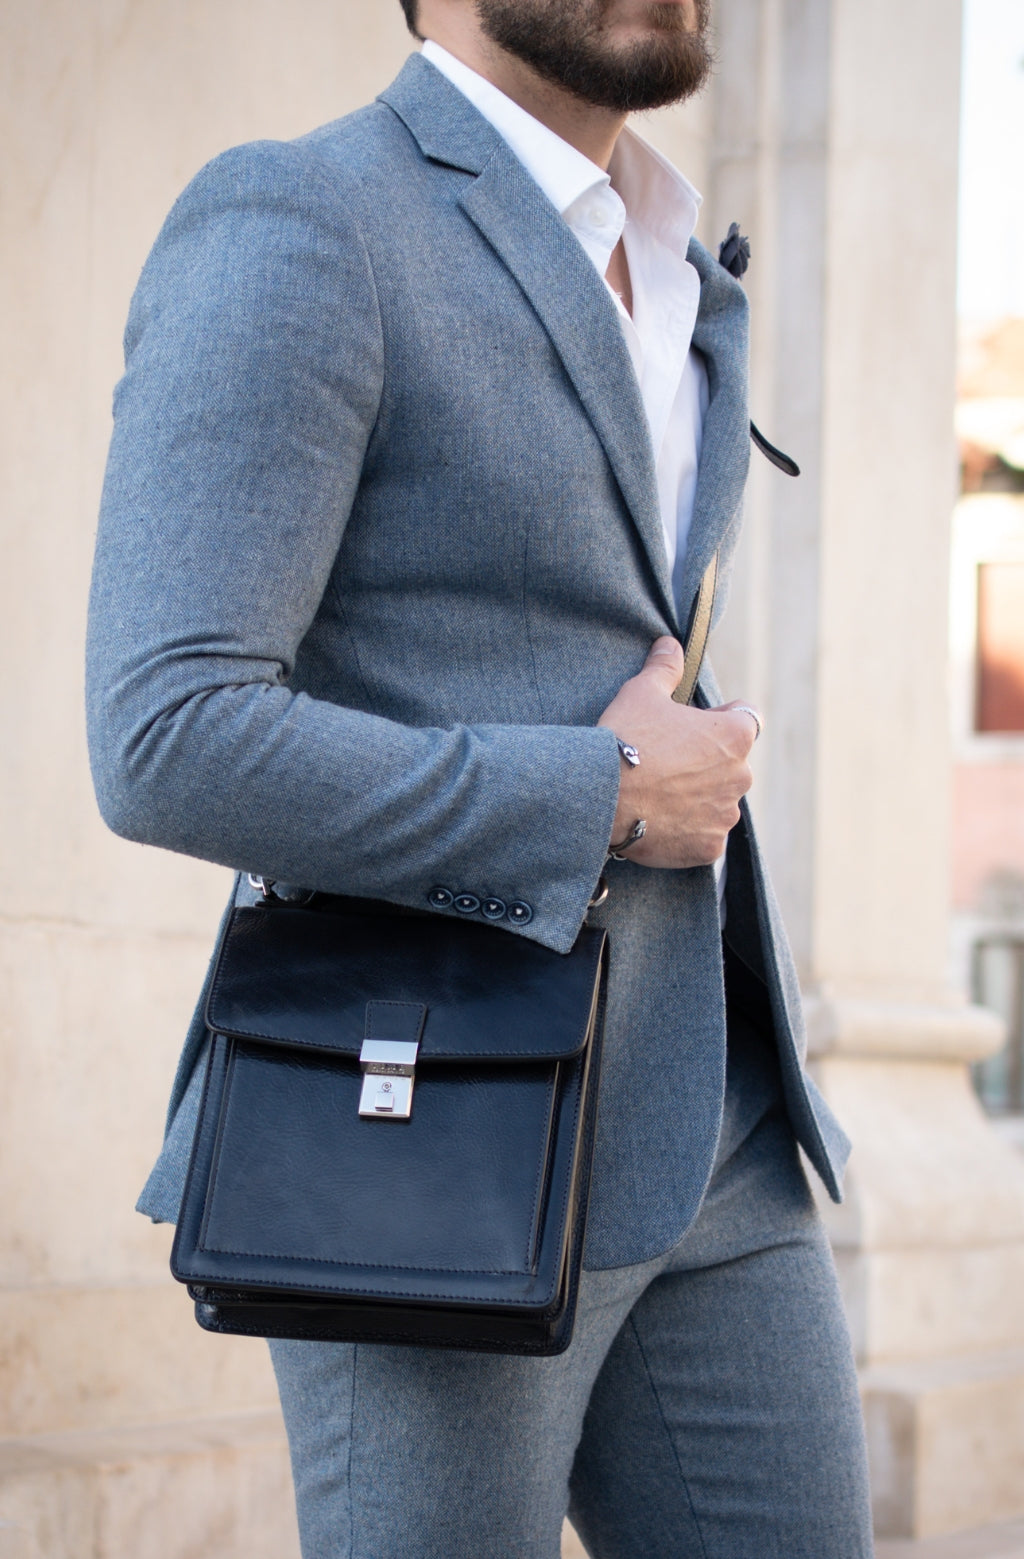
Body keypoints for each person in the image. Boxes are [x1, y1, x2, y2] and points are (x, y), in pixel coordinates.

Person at [86, 0, 875, 1553]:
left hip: (718, 1129)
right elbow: (168, 733)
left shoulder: (682, 268)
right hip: (431, 1130)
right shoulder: (305, 218)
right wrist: (606, 794)